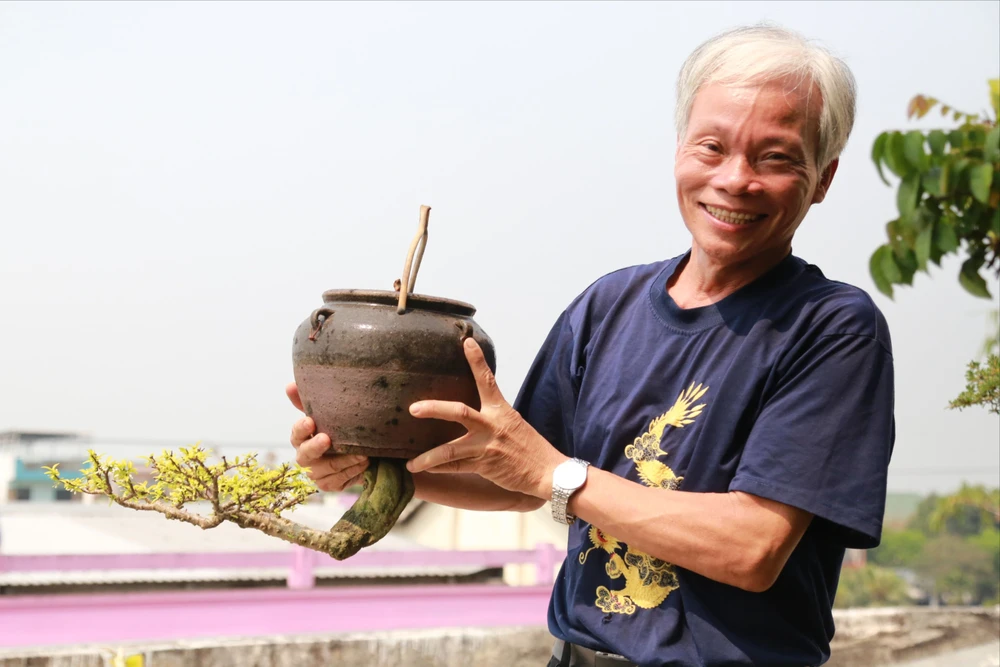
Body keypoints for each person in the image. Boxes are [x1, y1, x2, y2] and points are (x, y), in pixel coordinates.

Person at [288, 24, 894, 667]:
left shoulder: (832, 329)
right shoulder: (610, 306)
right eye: (712, 147)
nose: (735, 179)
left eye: (776, 157)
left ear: (823, 178)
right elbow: (518, 478)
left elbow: (752, 549)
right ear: (680, 149)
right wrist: (375, 465)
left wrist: (557, 475)